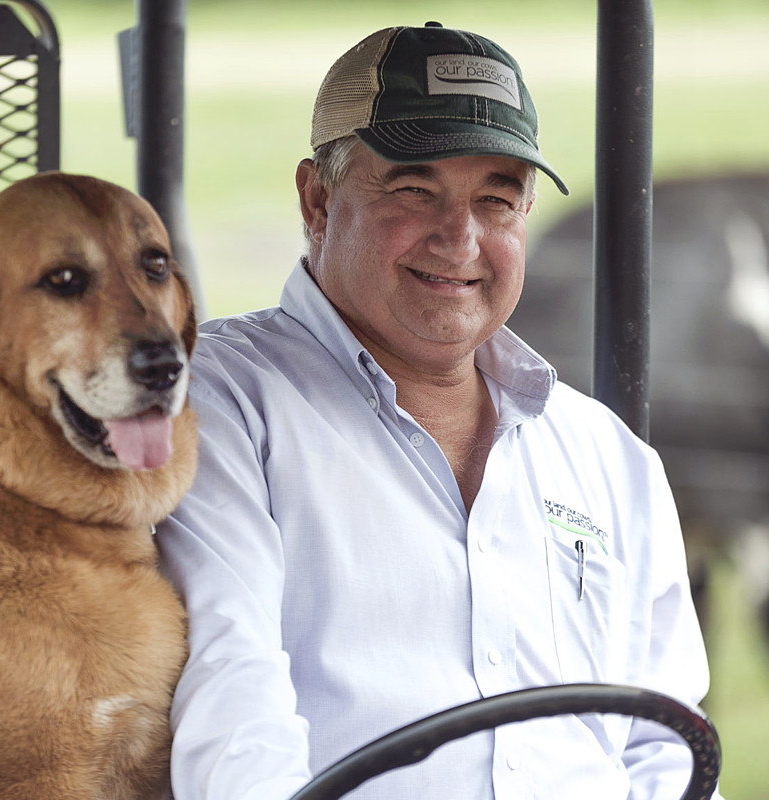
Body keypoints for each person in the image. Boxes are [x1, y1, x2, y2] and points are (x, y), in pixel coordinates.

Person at [157, 22, 720, 800]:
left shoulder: (608, 456)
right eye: (415, 190)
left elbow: (665, 746)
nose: (460, 240)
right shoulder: (221, 406)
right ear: (317, 200)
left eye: (497, 200)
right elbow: (229, 699)